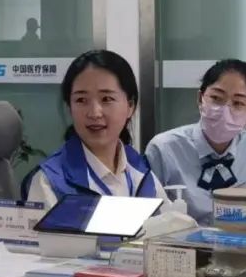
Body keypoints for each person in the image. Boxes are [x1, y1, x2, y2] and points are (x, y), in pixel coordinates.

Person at [24, 50, 164, 208]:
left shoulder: (140, 170)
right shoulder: (49, 181)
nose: (94, 113)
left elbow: (169, 219)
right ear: (70, 107)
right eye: (81, 100)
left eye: (106, 99)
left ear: (130, 106)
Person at [146, 58, 246, 224]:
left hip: (241, 238)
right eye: (216, 98)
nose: (225, 111)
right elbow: (149, 219)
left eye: (238, 103)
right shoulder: (163, 148)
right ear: (200, 98)